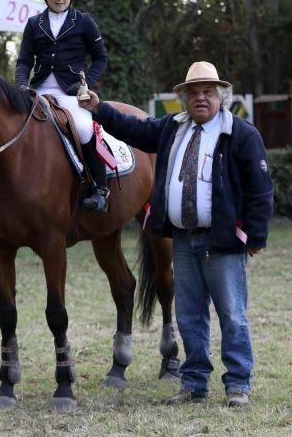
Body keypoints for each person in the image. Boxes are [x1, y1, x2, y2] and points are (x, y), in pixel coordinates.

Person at [78, 61, 274, 408]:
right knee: (188, 315)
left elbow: (260, 190)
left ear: (221, 96)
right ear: (183, 98)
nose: (201, 98)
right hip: (183, 239)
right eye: (194, 92)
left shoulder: (241, 133)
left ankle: (238, 384)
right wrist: (99, 108)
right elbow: (134, 129)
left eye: (208, 92)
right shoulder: (172, 127)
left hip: (223, 242)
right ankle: (194, 383)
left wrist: (255, 236)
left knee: (231, 314)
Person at [15, 0, 110, 213]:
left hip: (71, 92)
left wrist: (86, 83)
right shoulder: (34, 24)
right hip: (39, 91)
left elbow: (101, 57)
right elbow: (24, 61)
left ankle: (99, 189)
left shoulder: (84, 22)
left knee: (83, 127)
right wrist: (22, 85)